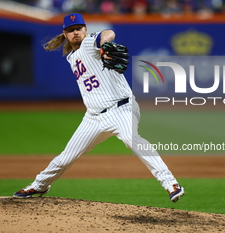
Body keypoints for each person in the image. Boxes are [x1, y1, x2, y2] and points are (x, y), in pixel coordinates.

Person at [13, 13, 185, 202]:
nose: (76, 32)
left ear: (86, 29)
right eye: (71, 30)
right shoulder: (71, 57)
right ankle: (39, 185)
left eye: (79, 28)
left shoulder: (89, 43)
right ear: (65, 34)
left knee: (131, 138)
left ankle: (171, 183)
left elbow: (108, 33)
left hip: (121, 109)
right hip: (93, 118)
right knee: (66, 157)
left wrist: (103, 45)